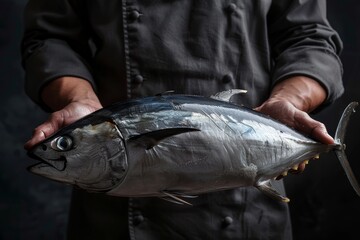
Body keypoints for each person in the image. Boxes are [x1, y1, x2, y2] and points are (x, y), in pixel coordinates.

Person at [21, 0, 344, 239]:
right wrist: (78, 100)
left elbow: (309, 38)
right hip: (115, 213)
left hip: (247, 211)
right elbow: (49, 37)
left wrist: (287, 101)